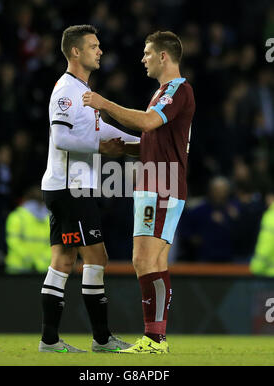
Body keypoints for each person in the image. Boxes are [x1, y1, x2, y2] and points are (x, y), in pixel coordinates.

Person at [83, 31, 195, 354]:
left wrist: (103, 103)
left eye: (147, 53)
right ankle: (156, 338)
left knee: (144, 259)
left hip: (163, 183)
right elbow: (153, 138)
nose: (142, 58)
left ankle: (154, 339)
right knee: (153, 261)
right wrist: (127, 150)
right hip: (156, 181)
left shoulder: (178, 89)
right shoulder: (162, 92)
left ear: (164, 56)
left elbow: (147, 123)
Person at [40, 24, 139, 353]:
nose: (100, 51)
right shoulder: (65, 91)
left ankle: (50, 341)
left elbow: (107, 133)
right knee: (97, 257)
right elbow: (62, 138)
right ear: (75, 52)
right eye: (94, 46)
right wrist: (103, 149)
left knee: (63, 260)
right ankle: (101, 339)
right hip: (71, 189)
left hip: (66, 187)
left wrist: (146, 142)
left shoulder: (82, 92)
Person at [5, 186, 51, 274]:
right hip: (43, 267)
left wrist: (29, 258)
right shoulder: (51, 218)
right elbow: (54, 245)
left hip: (17, 267)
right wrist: (40, 260)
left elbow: (13, 242)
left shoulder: (16, 216)